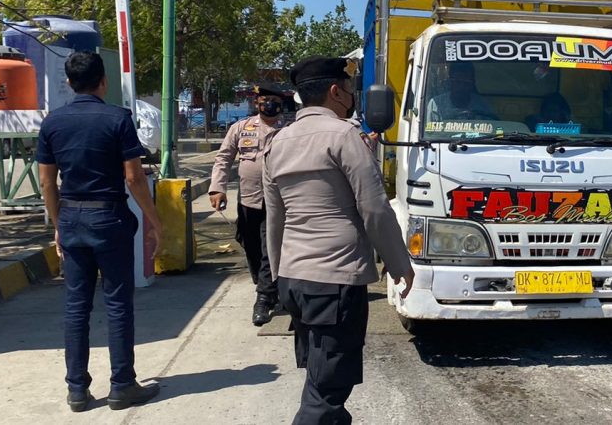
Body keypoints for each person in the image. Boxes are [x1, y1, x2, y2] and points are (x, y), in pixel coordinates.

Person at [263, 56, 415, 424]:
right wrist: (399, 264)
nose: (351, 95)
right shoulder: (345, 136)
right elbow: (375, 210)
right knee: (327, 392)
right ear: (336, 91)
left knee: (321, 376)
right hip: (335, 279)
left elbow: (275, 219)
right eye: (349, 89)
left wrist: (278, 276)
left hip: (295, 280)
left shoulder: (278, 141)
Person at [36, 51, 163, 412]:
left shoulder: (53, 123)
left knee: (77, 307)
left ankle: (77, 390)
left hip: (72, 218)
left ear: (70, 83)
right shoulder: (118, 118)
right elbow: (134, 176)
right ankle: (122, 385)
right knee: (118, 304)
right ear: (103, 82)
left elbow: (48, 182)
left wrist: (58, 224)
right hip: (109, 219)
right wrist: (155, 220)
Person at [210, 84, 287, 326]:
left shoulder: (290, 130)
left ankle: (264, 298)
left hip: (278, 200)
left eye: (274, 99)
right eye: (265, 99)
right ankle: (265, 283)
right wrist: (217, 188)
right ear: (257, 103)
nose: (269, 104)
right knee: (248, 241)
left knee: (268, 247)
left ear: (281, 103)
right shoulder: (241, 128)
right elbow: (224, 157)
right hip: (249, 197)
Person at [426, 62, 493, 121]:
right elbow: (428, 133)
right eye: (458, 82)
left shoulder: (481, 105)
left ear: (472, 84)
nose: (461, 87)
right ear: (450, 82)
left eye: (466, 83)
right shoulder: (435, 105)